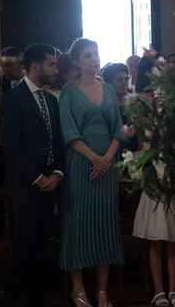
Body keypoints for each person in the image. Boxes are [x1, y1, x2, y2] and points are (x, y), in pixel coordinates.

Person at [59, 38, 125, 307]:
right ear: (77, 61)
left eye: (96, 54)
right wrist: (94, 159)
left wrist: (107, 159)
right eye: (88, 56)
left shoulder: (109, 90)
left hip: (107, 168)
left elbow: (118, 129)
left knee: (105, 225)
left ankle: (102, 291)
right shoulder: (68, 91)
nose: (94, 59)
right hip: (81, 166)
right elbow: (69, 131)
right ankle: (77, 288)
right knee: (78, 225)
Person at [0, 44, 65, 307]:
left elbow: (57, 141)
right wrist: (38, 177)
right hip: (26, 186)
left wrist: (58, 173)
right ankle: (17, 298)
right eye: (51, 64)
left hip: (51, 183)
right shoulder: (13, 99)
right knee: (24, 244)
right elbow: (13, 146)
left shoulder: (50, 99)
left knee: (44, 243)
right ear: (36, 66)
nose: (55, 69)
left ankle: (39, 297)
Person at [132, 60, 175, 307]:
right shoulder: (144, 110)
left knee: (174, 238)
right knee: (155, 238)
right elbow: (142, 145)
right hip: (154, 176)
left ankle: (174, 289)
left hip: (173, 176)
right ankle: (158, 290)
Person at [101, 63, 137, 152]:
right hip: (113, 151)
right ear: (108, 83)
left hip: (134, 148)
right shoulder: (104, 105)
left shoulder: (133, 100)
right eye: (120, 80)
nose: (124, 83)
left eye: (126, 79)